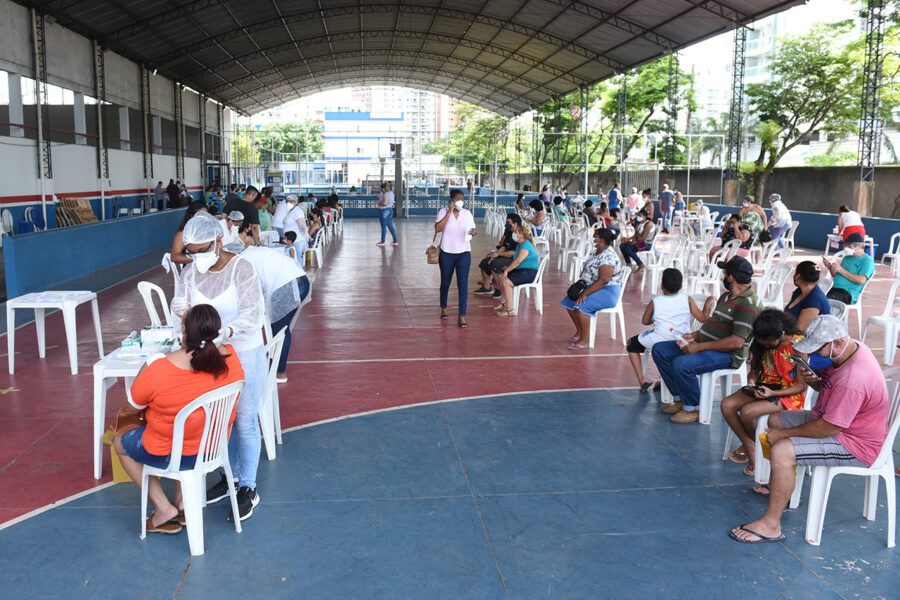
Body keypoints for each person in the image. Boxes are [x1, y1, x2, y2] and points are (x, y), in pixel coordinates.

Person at [729, 314, 889, 544]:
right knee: (774, 420)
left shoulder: (854, 379)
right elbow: (828, 389)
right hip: (832, 420)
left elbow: (828, 427)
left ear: (838, 343)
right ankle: (781, 486)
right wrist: (813, 381)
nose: (814, 355)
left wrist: (783, 436)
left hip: (854, 443)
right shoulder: (850, 351)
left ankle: (771, 525)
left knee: (782, 448)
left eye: (818, 349)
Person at [112, 304, 245, 534]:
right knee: (187, 429)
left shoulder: (160, 368)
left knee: (119, 443)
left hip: (169, 453)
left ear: (183, 330)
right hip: (210, 450)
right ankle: (181, 501)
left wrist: (148, 365)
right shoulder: (232, 361)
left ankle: (163, 508)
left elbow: (132, 405)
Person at [172, 211, 266, 522]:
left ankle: (248, 487)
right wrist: (181, 321)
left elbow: (253, 313)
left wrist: (227, 332)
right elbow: (183, 309)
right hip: (209, 356)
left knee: (245, 420)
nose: (195, 258)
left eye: (201, 251)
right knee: (220, 421)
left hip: (243, 352)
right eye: (191, 252)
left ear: (216, 242)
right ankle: (231, 475)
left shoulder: (242, 268)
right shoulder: (191, 274)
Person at [652, 256, 762, 424]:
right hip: (709, 346)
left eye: (725, 272)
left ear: (731, 277)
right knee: (661, 350)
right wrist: (694, 336)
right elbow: (714, 323)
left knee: (681, 364)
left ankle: (693, 408)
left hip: (729, 355)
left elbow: (736, 342)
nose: (723, 276)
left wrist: (700, 347)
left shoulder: (748, 304)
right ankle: (681, 398)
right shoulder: (726, 296)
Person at [720, 309, 807, 474]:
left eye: (769, 344)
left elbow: (801, 387)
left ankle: (759, 453)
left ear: (781, 334)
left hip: (788, 393)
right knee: (727, 404)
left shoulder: (799, 346)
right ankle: (750, 446)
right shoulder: (762, 341)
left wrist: (772, 394)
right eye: (763, 343)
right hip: (764, 386)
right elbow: (754, 370)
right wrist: (751, 381)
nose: (765, 346)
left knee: (747, 412)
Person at [233, 223, 309, 384]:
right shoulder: (253, 251)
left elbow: (251, 291)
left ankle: (280, 372)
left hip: (288, 285)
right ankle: (275, 365)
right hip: (299, 279)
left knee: (280, 329)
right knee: (281, 327)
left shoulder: (242, 261)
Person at [627, 268, 709, 390]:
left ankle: (642, 380)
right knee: (668, 352)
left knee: (631, 344)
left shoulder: (655, 301)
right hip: (683, 340)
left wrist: (655, 319)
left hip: (659, 339)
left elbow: (645, 321)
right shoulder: (688, 299)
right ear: (681, 286)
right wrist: (708, 303)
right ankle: (661, 379)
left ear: (661, 285)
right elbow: (702, 318)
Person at [561, 228, 625, 350]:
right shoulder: (597, 251)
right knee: (569, 302)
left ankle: (585, 340)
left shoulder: (608, 257)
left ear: (601, 240)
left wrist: (585, 293)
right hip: (593, 286)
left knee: (581, 305)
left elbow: (604, 280)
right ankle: (580, 332)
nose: (592, 238)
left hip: (608, 290)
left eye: (594, 236)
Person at [435, 190, 477, 328]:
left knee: (463, 285)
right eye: (457, 198)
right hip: (446, 253)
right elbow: (438, 228)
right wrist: (449, 213)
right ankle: (443, 307)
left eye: (462, 198)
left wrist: (474, 232)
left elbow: (473, 229)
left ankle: (462, 316)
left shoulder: (467, 213)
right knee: (445, 282)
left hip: (464, 253)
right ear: (451, 200)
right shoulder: (443, 211)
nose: (460, 200)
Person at [494, 220, 540, 317]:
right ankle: (505, 301)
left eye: (516, 233)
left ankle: (510, 309)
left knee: (506, 281)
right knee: (502, 277)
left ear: (521, 235)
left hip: (529, 273)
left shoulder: (526, 245)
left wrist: (507, 270)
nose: (514, 234)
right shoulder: (520, 245)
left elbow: (518, 261)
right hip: (523, 271)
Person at [823, 233, 875, 306]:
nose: (846, 248)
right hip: (832, 288)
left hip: (847, 293)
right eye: (846, 245)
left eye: (849, 246)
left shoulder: (867, 260)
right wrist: (830, 268)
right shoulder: (847, 258)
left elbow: (861, 280)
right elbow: (836, 275)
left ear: (860, 246)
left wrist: (840, 269)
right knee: (811, 294)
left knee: (821, 301)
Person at [475, 213, 519, 297]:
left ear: (515, 224)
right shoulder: (509, 232)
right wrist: (496, 254)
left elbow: (513, 253)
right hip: (506, 255)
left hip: (515, 259)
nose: (507, 224)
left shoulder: (519, 235)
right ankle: (487, 287)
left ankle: (500, 290)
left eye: (509, 222)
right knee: (485, 262)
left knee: (494, 264)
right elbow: (503, 245)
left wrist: (498, 255)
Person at [785, 261, 831, 331]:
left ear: (798, 276)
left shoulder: (815, 300)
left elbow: (799, 333)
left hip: (806, 339)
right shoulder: (799, 291)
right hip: (789, 333)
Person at [171, 201, 210, 265]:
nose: (203, 218)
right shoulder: (183, 233)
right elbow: (174, 257)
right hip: (192, 269)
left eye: (205, 215)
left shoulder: (208, 230)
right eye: (200, 215)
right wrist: (198, 259)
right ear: (191, 216)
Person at [377, 182, 399, 247]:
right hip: (390, 210)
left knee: (383, 227)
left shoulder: (386, 194)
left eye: (382, 188)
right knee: (390, 226)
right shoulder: (391, 193)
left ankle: (382, 242)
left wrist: (379, 201)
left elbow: (385, 203)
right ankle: (395, 241)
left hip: (384, 211)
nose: (382, 190)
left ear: (384, 188)